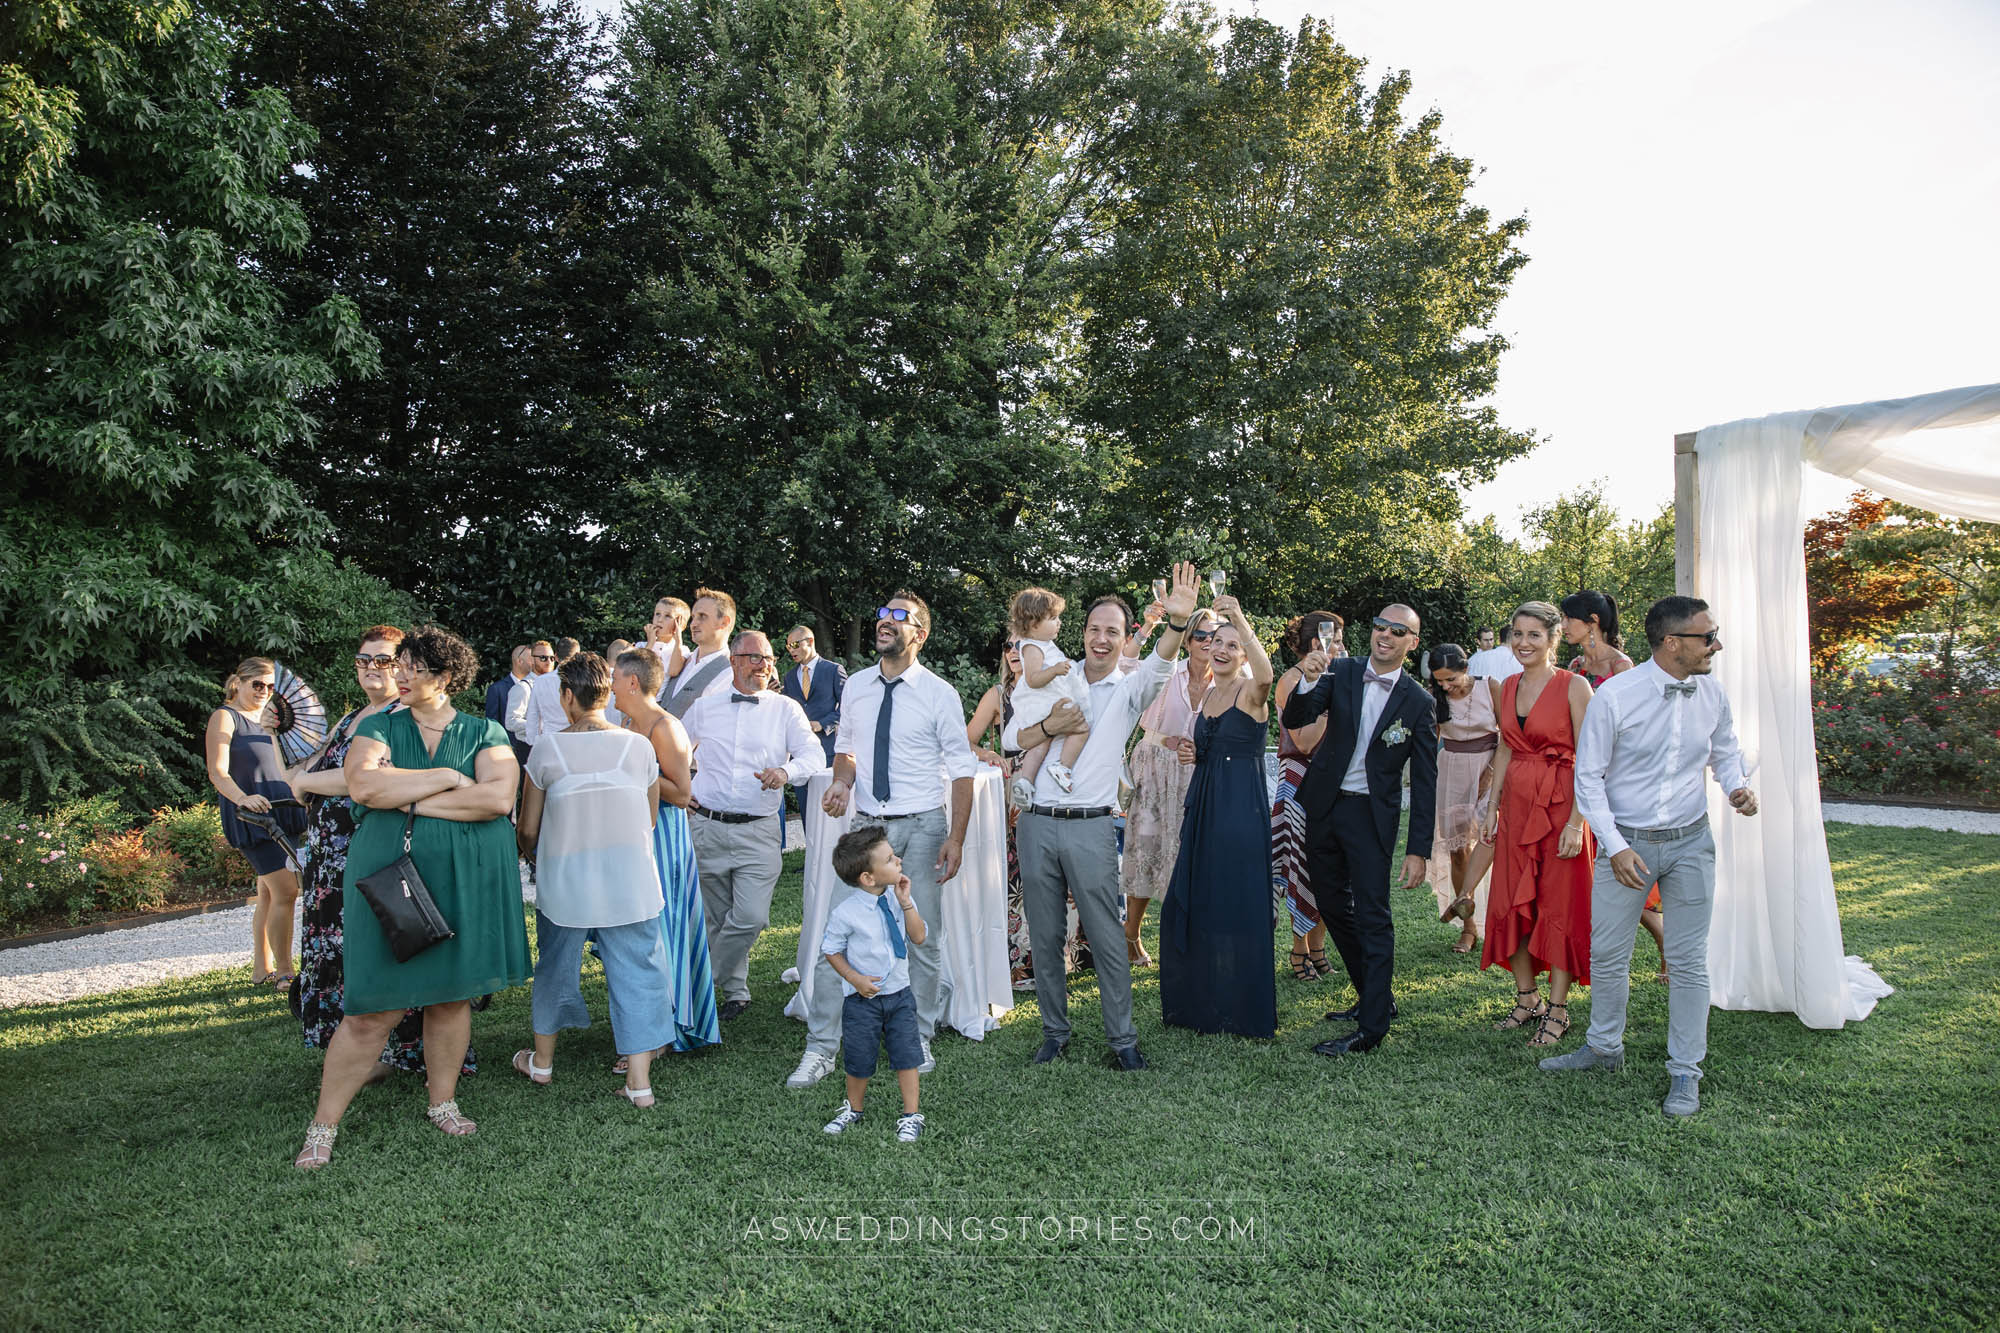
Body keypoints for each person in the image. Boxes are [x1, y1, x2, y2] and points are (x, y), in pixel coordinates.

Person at [294, 626, 530, 1169]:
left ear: (444, 677)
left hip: (462, 876)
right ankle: (323, 1125)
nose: (397, 674)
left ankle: (442, 1102)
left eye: (412, 667)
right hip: (389, 876)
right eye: (397, 664)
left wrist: (408, 801)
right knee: (371, 1009)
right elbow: (364, 787)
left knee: (450, 998)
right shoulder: (377, 725)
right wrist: (447, 777)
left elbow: (497, 799)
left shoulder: (485, 730)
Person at [1542, 596, 1758, 1119]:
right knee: (1608, 954)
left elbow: (1726, 752)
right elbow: (1588, 778)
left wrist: (1736, 786)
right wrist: (1616, 848)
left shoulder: (1713, 693)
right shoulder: (1616, 696)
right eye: (1708, 637)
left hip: (1691, 843)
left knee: (1687, 960)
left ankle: (1685, 1070)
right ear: (1672, 642)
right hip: (1627, 842)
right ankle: (1603, 1048)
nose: (1716, 645)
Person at [1004, 564, 1201, 1071]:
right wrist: (1050, 724)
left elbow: (1161, 662)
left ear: (1122, 637)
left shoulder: (1130, 688)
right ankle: (1054, 1033)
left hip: (1091, 826)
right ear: (1083, 632)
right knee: (1045, 936)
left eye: (1112, 631)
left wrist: (1178, 623)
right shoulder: (1055, 675)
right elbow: (1010, 739)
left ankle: (1123, 1041)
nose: (1101, 638)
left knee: (1108, 936)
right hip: (1036, 822)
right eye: (1094, 628)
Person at [803, 593, 976, 1087]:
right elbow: (846, 750)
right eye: (883, 613)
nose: (886, 620)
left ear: (920, 634)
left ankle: (916, 1037)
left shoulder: (940, 693)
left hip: (922, 828)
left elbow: (962, 770)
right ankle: (821, 1047)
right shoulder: (856, 685)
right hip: (867, 829)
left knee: (922, 937)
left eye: (900, 616)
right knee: (835, 936)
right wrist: (842, 782)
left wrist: (956, 838)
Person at [288, 627, 472, 1076]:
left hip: (369, 851)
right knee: (338, 952)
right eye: (363, 660)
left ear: (406, 666)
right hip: (328, 862)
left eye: (384, 660)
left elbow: (365, 779)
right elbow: (310, 767)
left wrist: (306, 782)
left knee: (382, 947)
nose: (372, 668)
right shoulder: (352, 718)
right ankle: (353, 1049)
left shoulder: (400, 718)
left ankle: (397, 1052)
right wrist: (285, 753)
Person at [515, 653, 676, 1107]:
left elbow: (528, 828)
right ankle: (639, 1082)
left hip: (566, 882)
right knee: (639, 972)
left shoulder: (546, 749)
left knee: (554, 967)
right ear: (606, 694)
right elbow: (648, 819)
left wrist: (537, 855)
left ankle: (543, 1062)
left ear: (568, 695)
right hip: (631, 880)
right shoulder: (639, 747)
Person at [1281, 604, 1439, 1057]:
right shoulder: (1343, 670)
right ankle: (1374, 994)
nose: (1385, 635)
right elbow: (1295, 719)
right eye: (1379, 626)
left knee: (1373, 915)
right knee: (1332, 905)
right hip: (1325, 807)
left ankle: (1372, 1028)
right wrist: (1309, 680)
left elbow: (1425, 781)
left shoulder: (1419, 702)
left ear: (1412, 642)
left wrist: (1419, 849)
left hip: (1371, 818)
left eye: (1397, 631)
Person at [681, 630, 826, 1021]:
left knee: (751, 916)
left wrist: (786, 771)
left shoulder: (785, 709)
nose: (765, 665)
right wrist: (681, 788)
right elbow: (674, 751)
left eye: (769, 658)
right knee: (717, 917)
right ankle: (735, 992)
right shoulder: (704, 708)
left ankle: (698, 984)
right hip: (706, 826)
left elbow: (813, 755)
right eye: (755, 658)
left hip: (759, 830)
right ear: (734, 660)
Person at [1477, 601, 1596, 1048]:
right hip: (1517, 810)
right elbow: (1506, 748)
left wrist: (1577, 823)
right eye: (1517, 634)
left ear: (1553, 639)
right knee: (1512, 901)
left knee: (1559, 906)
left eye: (1534, 635)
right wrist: (1493, 806)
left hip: (1562, 809)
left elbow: (1591, 758)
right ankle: (1528, 999)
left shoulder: (1574, 686)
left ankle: (1559, 1010)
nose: (1523, 643)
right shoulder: (1507, 686)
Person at [1159, 596, 1277, 1038]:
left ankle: (1240, 1006)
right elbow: (1208, 747)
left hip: (1239, 808)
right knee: (1200, 896)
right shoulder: (1209, 693)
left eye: (1232, 645)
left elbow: (1267, 676)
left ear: (1243, 654)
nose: (1221, 649)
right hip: (1204, 803)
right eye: (1216, 643)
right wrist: (1193, 752)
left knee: (1236, 900)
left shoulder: (1250, 691)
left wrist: (1240, 620)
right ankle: (1203, 999)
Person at [611, 649, 718, 1053]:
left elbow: (682, 794)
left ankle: (668, 1027)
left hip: (664, 837)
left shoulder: (666, 727)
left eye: (615, 678)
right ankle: (649, 1019)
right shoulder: (627, 723)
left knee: (664, 926)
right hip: (633, 830)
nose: (610, 686)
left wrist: (636, 771)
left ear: (632, 682)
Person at [1561, 589, 1666, 976]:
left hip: (1615, 778)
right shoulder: (1575, 665)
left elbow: (1637, 727)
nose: (1563, 625)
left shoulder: (1623, 667)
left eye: (1568, 618)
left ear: (1592, 622)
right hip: (1580, 773)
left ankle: (1664, 940)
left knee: (1619, 869)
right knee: (1594, 872)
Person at [819, 826, 929, 1143]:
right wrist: (854, 978)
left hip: (900, 996)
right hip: (861, 1001)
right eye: (890, 859)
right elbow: (831, 950)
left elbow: (919, 937)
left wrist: (906, 903)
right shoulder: (846, 913)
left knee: (908, 1055)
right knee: (858, 1057)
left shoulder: (899, 898)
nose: (899, 861)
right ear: (868, 878)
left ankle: (911, 1114)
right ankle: (853, 1108)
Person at [1121, 606, 1217, 970]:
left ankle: (1187, 940)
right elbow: (1126, 666)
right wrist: (1146, 627)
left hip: (1199, 770)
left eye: (1214, 636)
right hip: (1153, 765)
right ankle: (1131, 934)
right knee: (1145, 849)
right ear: (1188, 640)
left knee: (1191, 855)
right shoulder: (1167, 669)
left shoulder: (1229, 678)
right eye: (1201, 635)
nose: (1208, 642)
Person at [204, 656, 305, 989]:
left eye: (271, 686)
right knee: (287, 891)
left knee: (268, 893)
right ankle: (286, 972)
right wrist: (243, 798)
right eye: (257, 684)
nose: (264, 691)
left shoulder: (271, 718)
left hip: (285, 810)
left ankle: (261, 968)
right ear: (239, 683)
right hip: (255, 818)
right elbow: (217, 772)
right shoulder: (225, 717)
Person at [1270, 612, 1340, 980]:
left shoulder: (1336, 677)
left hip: (1330, 781)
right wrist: (1333, 706)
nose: (1343, 647)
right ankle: (1299, 950)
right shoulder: (1290, 681)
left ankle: (1319, 948)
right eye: (1338, 641)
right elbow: (1305, 741)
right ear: (1318, 643)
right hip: (1298, 779)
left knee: (1329, 868)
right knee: (1302, 867)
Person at [1425, 642, 1498, 955]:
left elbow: (1508, 735)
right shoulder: (1434, 697)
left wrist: (1490, 775)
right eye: (1439, 680)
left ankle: (1498, 922)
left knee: (1492, 841)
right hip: (1452, 771)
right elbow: (1430, 740)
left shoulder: (1490, 687)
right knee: (1458, 850)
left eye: (1451, 679)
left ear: (1466, 669)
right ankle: (1469, 928)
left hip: (1491, 767)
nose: (1445, 686)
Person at [1003, 587, 1091, 807]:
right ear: (1034, 624)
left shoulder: (1042, 644)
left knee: (1041, 744)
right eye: (1053, 618)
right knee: (1082, 729)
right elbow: (1033, 679)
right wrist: (1055, 670)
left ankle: (1026, 781)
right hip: (1045, 700)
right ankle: (1063, 766)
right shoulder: (1032, 647)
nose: (1059, 622)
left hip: (1045, 702)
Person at [663, 588, 736, 715]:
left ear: (724, 622)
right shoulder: (681, 658)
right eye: (693, 617)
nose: (693, 624)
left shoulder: (730, 673)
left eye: (702, 616)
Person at [781, 625, 846, 763]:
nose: (791, 650)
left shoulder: (833, 670)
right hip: (797, 753)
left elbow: (848, 706)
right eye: (788, 647)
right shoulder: (789, 677)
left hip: (827, 749)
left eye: (795, 645)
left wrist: (822, 724)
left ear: (810, 641)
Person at [522, 637, 581, 746]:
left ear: (556, 657)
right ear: (578, 657)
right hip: (577, 739)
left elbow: (533, 715)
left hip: (549, 741)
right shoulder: (583, 680)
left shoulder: (540, 681)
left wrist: (533, 743)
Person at [485, 645, 533, 766]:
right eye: (531, 658)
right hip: (509, 755)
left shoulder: (538, 686)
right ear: (519, 661)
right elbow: (493, 726)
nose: (535, 662)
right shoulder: (497, 689)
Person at [506, 639, 555, 751]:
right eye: (543, 658)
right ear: (532, 660)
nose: (549, 662)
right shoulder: (523, 687)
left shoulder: (556, 686)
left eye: (552, 658)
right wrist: (540, 726)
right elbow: (511, 721)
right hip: (529, 748)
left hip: (550, 746)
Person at [645, 596, 691, 678]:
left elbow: (673, 671)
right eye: (657, 614)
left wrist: (678, 640)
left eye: (668, 616)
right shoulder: (641, 646)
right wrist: (650, 643)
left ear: (680, 623)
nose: (660, 620)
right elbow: (636, 669)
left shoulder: (681, 650)